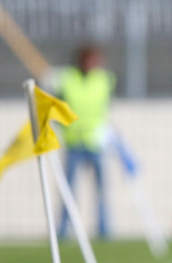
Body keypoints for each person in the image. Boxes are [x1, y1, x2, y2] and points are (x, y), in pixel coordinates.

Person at [55, 45, 116, 239]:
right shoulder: (66, 79)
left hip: (95, 142)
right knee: (68, 189)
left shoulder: (104, 80)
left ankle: (104, 229)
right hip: (73, 142)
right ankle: (64, 229)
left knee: (101, 189)